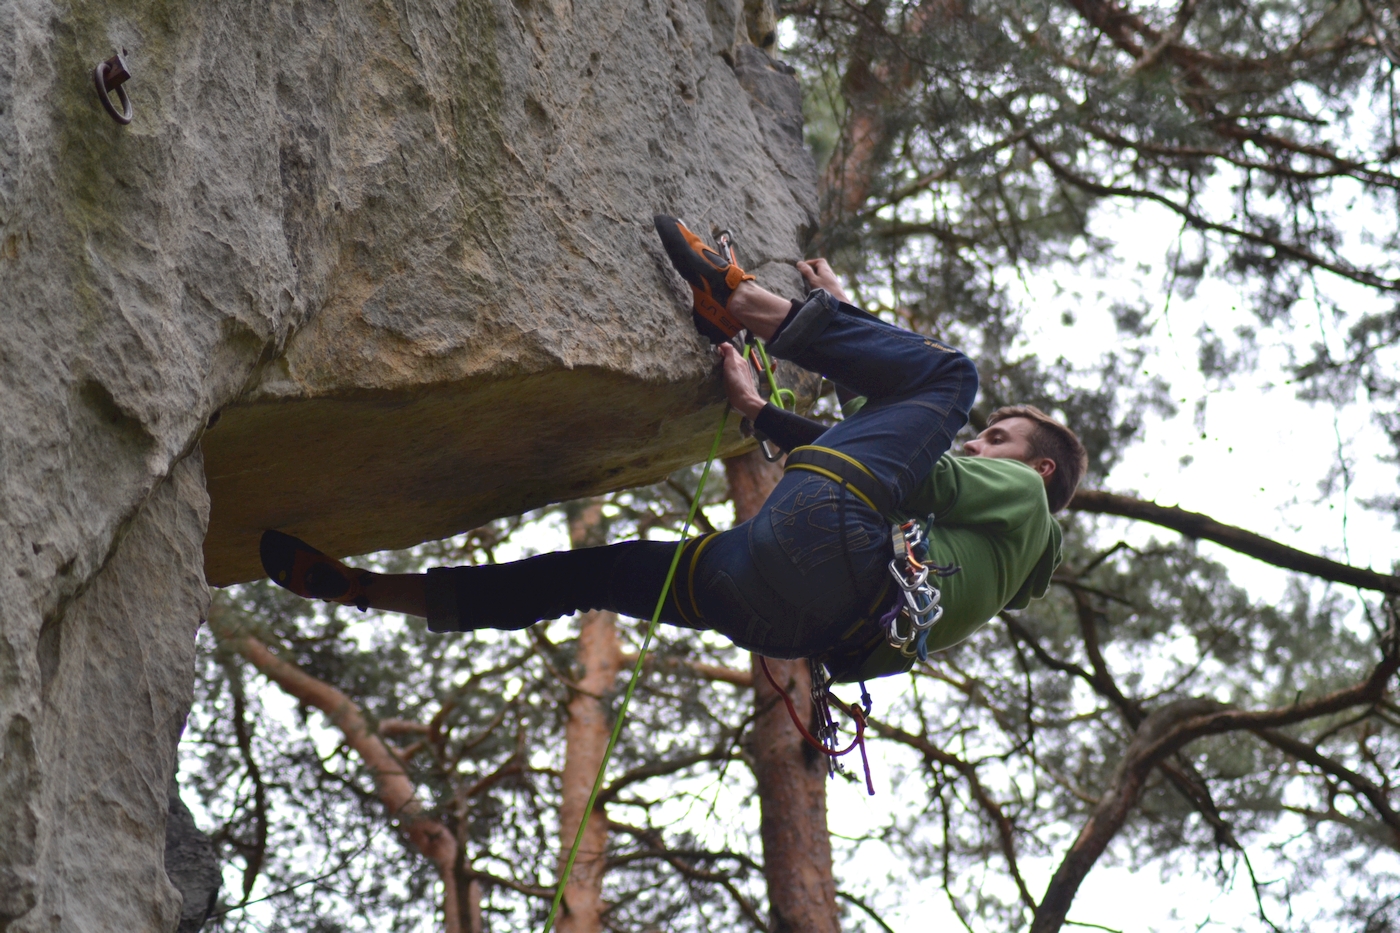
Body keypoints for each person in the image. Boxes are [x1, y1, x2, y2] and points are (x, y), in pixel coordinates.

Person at [260, 216, 1085, 682]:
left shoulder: (1026, 506)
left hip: (828, 543)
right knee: (592, 576)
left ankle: (738, 297)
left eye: (1000, 440)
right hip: (780, 617)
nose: (982, 443)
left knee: (949, 376)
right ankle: (369, 589)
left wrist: (825, 338)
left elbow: (923, 458)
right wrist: (766, 410)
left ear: (1040, 469)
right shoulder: (987, 566)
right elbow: (885, 456)